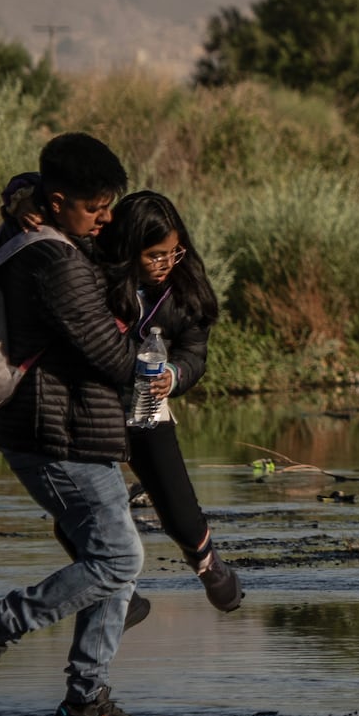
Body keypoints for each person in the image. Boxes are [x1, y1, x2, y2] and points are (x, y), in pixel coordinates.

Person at [0, 132, 154, 716]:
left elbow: (26, 192)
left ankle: (85, 706)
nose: (106, 219)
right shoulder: (55, 261)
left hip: (73, 431)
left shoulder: (42, 231)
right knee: (117, 559)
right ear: (58, 201)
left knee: (112, 561)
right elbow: (113, 360)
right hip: (52, 435)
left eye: (109, 206)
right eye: (95, 209)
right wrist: (149, 348)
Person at [98, 190, 244, 612]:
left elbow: (194, 353)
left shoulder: (186, 287)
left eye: (173, 253)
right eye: (153, 255)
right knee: (88, 513)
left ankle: (208, 565)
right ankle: (120, 599)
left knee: (178, 508)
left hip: (148, 402)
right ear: (128, 251)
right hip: (94, 404)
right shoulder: (93, 276)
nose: (165, 263)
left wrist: (174, 376)